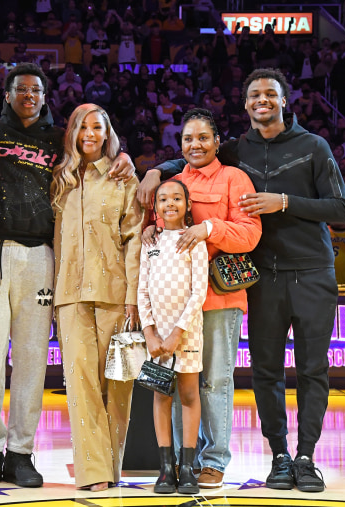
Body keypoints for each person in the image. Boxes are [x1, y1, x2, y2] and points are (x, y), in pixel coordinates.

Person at [138, 69, 345, 492]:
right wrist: (154, 171)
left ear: (285, 100)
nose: (262, 100)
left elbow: (340, 209)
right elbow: (189, 159)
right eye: (254, 94)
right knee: (263, 373)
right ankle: (274, 458)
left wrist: (283, 202)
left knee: (309, 370)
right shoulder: (236, 149)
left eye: (270, 93)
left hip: (304, 271)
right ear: (245, 102)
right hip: (256, 279)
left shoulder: (312, 147)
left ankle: (304, 457)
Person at [0, 63, 134, 489]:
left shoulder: (58, 139)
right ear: (6, 95)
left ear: (44, 96)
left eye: (36, 90)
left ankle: (21, 451)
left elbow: (100, 147)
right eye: (20, 89)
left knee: (32, 360)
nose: (28, 95)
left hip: (41, 256)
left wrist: (133, 161)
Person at [140, 108, 262, 489]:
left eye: (203, 138)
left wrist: (208, 228)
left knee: (215, 383)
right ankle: (180, 461)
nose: (196, 145)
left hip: (219, 299)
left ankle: (214, 460)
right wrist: (149, 230)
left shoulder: (234, 178)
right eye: (188, 139)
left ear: (216, 141)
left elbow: (249, 235)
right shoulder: (174, 180)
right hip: (172, 307)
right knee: (176, 385)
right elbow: (164, 227)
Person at [50, 103, 143, 491]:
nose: (89, 133)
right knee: (80, 384)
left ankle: (113, 467)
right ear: (72, 131)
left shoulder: (125, 179)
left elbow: (135, 241)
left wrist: (134, 299)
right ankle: (93, 473)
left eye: (97, 127)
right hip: (69, 294)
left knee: (118, 385)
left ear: (108, 134)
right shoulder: (58, 179)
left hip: (116, 294)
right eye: (82, 126)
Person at [138, 179, 207, 495]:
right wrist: (150, 333)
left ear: (188, 204)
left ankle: (188, 467)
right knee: (161, 396)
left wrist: (178, 332)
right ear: (155, 207)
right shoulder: (149, 241)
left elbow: (198, 292)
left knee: (190, 395)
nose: (170, 204)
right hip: (158, 338)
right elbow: (142, 290)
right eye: (163, 199)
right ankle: (166, 470)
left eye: (177, 198)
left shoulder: (194, 241)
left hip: (187, 333)